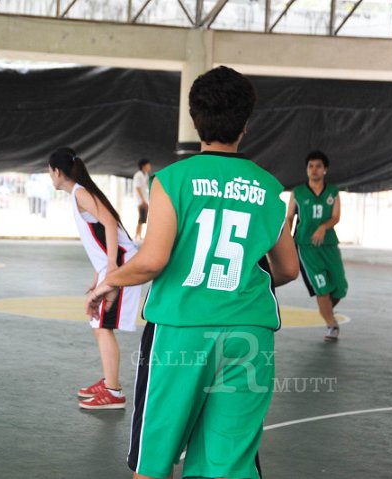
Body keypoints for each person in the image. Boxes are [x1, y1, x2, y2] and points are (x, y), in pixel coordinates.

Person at [86, 66, 299, 479]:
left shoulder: (171, 180)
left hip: (181, 330)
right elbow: (288, 268)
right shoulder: (270, 189)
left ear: (194, 118)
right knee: (227, 465)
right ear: (246, 125)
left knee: (154, 461)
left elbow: (153, 260)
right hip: (249, 335)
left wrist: (109, 281)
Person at [48, 147, 141, 410]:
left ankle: (114, 392)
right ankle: (109, 382)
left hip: (122, 263)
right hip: (113, 265)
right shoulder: (78, 193)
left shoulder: (79, 192)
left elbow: (110, 223)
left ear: (56, 171)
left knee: (103, 326)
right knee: (98, 323)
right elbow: (98, 235)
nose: (50, 177)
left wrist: (111, 267)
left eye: (49, 172)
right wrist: (99, 273)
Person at [286, 150, 349, 342]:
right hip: (306, 246)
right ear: (306, 170)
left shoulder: (333, 192)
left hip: (329, 244)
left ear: (325, 169)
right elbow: (289, 217)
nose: (314, 170)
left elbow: (336, 216)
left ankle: (326, 309)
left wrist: (323, 227)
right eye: (310, 166)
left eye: (318, 166)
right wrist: (286, 241)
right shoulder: (298, 192)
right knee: (322, 287)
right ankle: (331, 325)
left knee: (340, 288)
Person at [133, 158, 152, 241]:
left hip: (145, 199)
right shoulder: (138, 175)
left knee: (143, 218)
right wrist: (143, 200)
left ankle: (138, 235)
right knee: (141, 218)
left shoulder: (146, 175)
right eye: (148, 164)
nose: (149, 166)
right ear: (143, 166)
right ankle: (137, 235)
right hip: (140, 200)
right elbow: (138, 188)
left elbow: (147, 186)